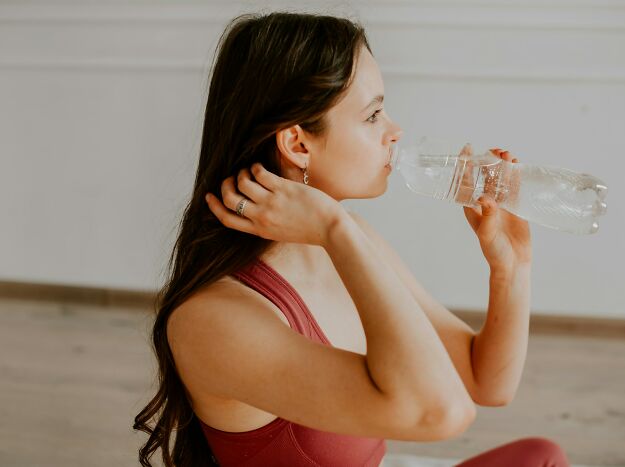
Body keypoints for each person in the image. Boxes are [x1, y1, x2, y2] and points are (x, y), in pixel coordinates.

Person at [133, 11, 570, 467]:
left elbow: (487, 383)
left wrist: (511, 267)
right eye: (373, 114)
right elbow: (442, 413)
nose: (394, 131)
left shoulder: (350, 242)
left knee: (542, 456)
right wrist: (335, 230)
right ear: (298, 144)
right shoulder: (213, 319)